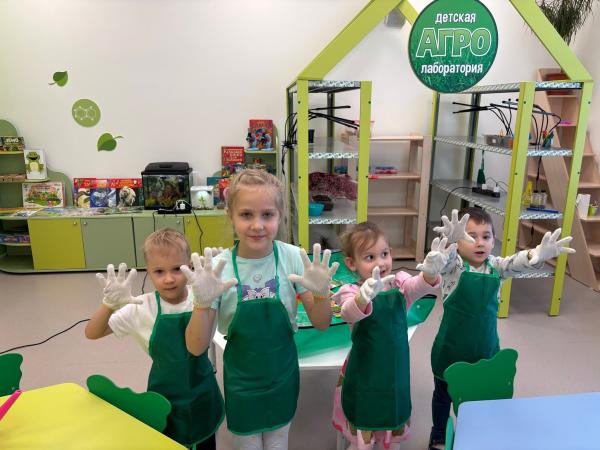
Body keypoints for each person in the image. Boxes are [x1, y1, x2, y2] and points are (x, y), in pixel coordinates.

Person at [184, 169, 338, 450]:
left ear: (280, 216)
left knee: (278, 443)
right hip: (241, 382)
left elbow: (321, 322)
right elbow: (196, 347)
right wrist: (201, 304)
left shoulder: (292, 258)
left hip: (283, 376)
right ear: (231, 216)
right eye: (246, 215)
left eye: (267, 215)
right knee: (248, 445)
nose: (257, 225)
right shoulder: (218, 268)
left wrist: (321, 294)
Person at [421, 208, 575, 450]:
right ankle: (438, 434)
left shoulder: (496, 267)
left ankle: (476, 431)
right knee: (443, 395)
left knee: (480, 395)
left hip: (485, 348)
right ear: (458, 243)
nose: (480, 243)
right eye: (471, 237)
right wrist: (447, 245)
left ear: (494, 241)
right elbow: (443, 261)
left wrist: (536, 254)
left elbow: (516, 262)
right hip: (450, 349)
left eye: (486, 236)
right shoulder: (454, 266)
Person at [85, 228, 224, 450]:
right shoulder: (142, 307)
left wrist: (212, 283)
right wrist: (108, 305)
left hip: (202, 394)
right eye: (159, 271)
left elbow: (199, 346)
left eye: (177, 269)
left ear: (189, 266)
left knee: (204, 440)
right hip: (164, 397)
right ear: (148, 272)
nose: (169, 279)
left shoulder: (203, 295)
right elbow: (92, 332)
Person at [331, 221, 443, 450]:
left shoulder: (399, 285)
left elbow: (419, 286)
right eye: (369, 257)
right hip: (364, 372)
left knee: (392, 424)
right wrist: (363, 298)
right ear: (351, 263)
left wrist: (429, 275)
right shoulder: (349, 291)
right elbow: (349, 312)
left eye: (384, 254)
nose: (380, 263)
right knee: (364, 422)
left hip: (394, 372)